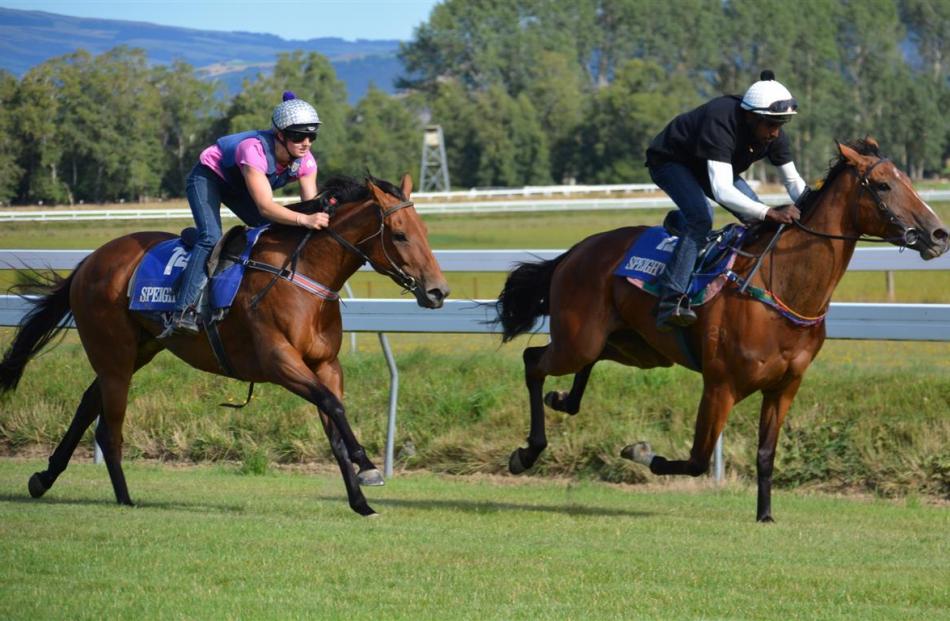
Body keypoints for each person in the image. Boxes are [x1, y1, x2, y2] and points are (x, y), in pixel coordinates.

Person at [645, 70, 806, 332]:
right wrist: (769, 212)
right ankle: (670, 298)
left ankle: (678, 222)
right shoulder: (721, 119)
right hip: (671, 160)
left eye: (781, 124)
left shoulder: (772, 133)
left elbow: (793, 182)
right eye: (771, 124)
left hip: (707, 164)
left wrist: (811, 210)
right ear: (750, 116)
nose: (776, 133)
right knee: (701, 218)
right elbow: (721, 189)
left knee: (756, 220)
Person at [160, 91, 330, 338]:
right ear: (279, 135)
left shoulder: (306, 161)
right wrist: (304, 219)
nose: (306, 143)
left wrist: (322, 214)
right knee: (211, 238)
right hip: (209, 178)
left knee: (274, 230)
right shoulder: (254, 150)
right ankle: (182, 311)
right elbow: (265, 207)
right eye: (298, 136)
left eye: (311, 136)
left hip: (240, 186)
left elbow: (310, 206)